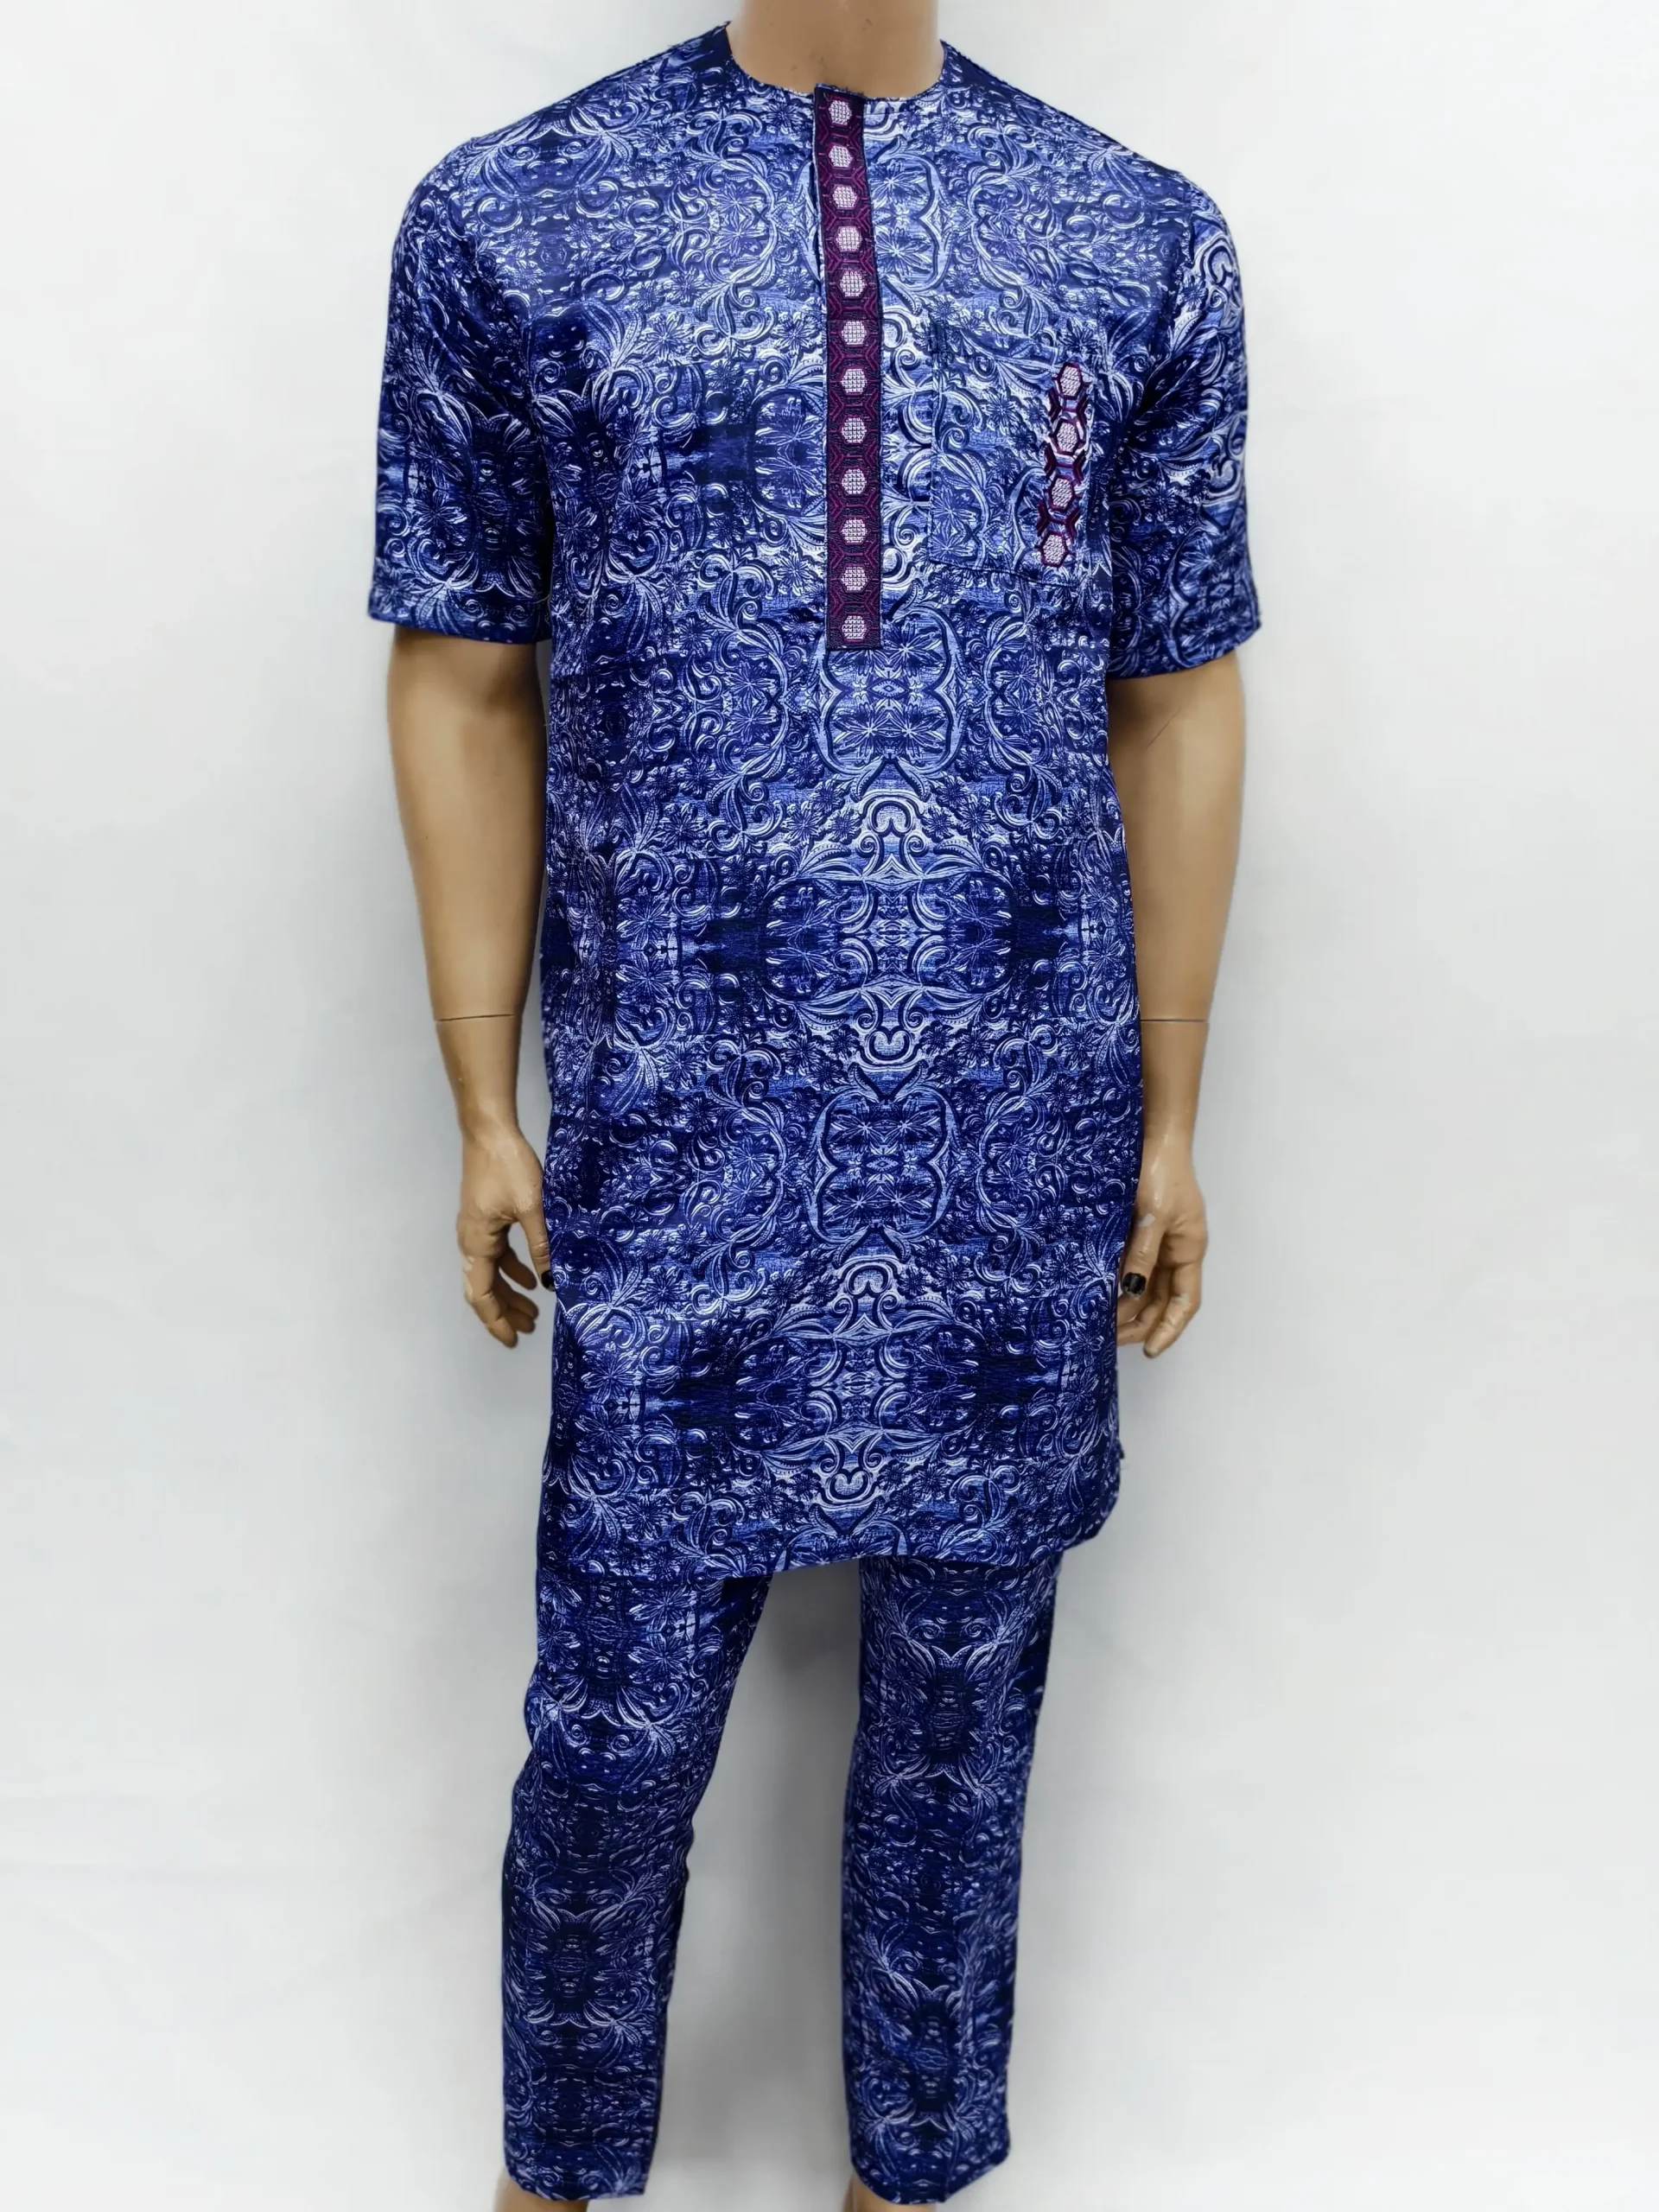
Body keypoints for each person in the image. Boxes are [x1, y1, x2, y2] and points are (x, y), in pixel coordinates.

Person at [371, 0, 1255, 2202]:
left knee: (962, 1751)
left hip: (1017, 1140)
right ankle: (556, 2177)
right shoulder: (515, 217)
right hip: (677, 1136)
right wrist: (485, 1098)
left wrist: (1169, 1113)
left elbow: (1176, 695)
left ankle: (907, 2177)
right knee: (613, 1733)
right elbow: (463, 672)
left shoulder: (1138, 236)